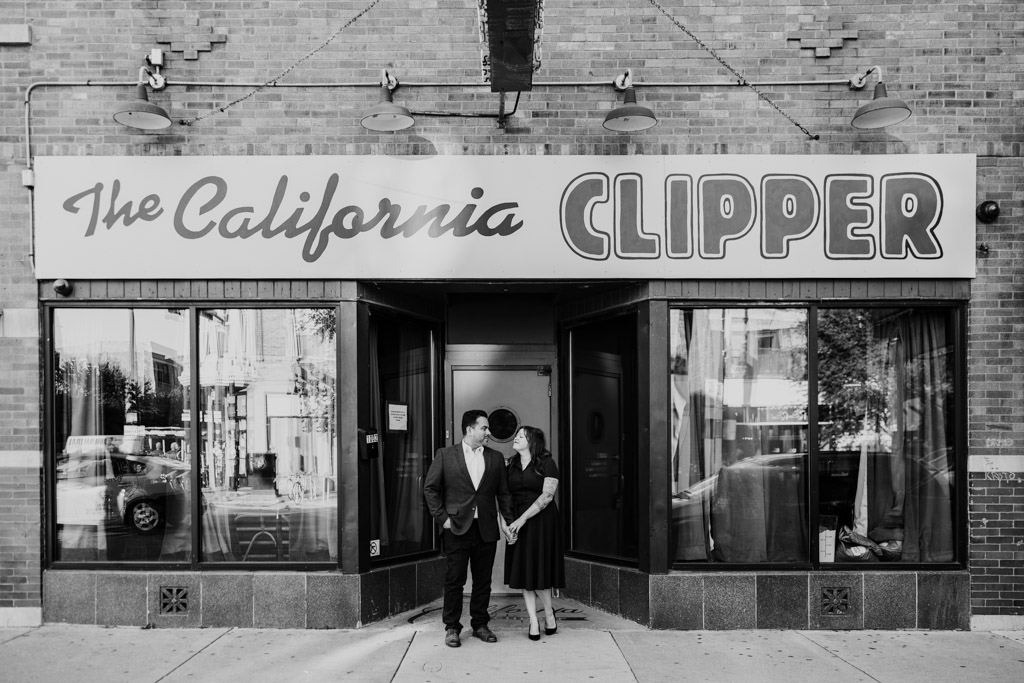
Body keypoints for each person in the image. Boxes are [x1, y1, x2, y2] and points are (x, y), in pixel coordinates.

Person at [423, 409, 515, 648]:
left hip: (485, 528)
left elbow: (503, 494)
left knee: (483, 580)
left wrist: (510, 522)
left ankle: (480, 624)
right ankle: (452, 627)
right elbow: (430, 489)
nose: (488, 432)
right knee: (454, 579)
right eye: (484, 428)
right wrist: (442, 518)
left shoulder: (495, 458)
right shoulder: (445, 455)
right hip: (456, 527)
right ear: (469, 429)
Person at [504, 426, 565, 641]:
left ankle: (549, 613)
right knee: (524, 572)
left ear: (533, 441)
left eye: (521, 435)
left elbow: (547, 496)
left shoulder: (547, 463)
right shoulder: (509, 464)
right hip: (517, 521)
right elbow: (503, 497)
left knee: (540, 572)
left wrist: (522, 519)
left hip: (542, 521)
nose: (516, 437)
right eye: (516, 434)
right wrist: (507, 526)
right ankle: (533, 620)